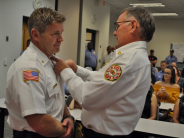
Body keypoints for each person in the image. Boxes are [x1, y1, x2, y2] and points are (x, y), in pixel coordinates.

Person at [51, 6, 155, 138]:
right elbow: (102, 80)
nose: (114, 33)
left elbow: (86, 97)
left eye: (117, 26)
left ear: (133, 25)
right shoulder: (134, 57)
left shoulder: (128, 61)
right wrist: (77, 70)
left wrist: (65, 71)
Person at [6, 8, 74, 138]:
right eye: (55, 33)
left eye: (61, 33)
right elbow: (39, 122)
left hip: (55, 130)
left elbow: (58, 99)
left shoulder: (52, 61)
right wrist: (67, 131)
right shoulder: (29, 68)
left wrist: (68, 117)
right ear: (36, 35)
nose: (61, 39)